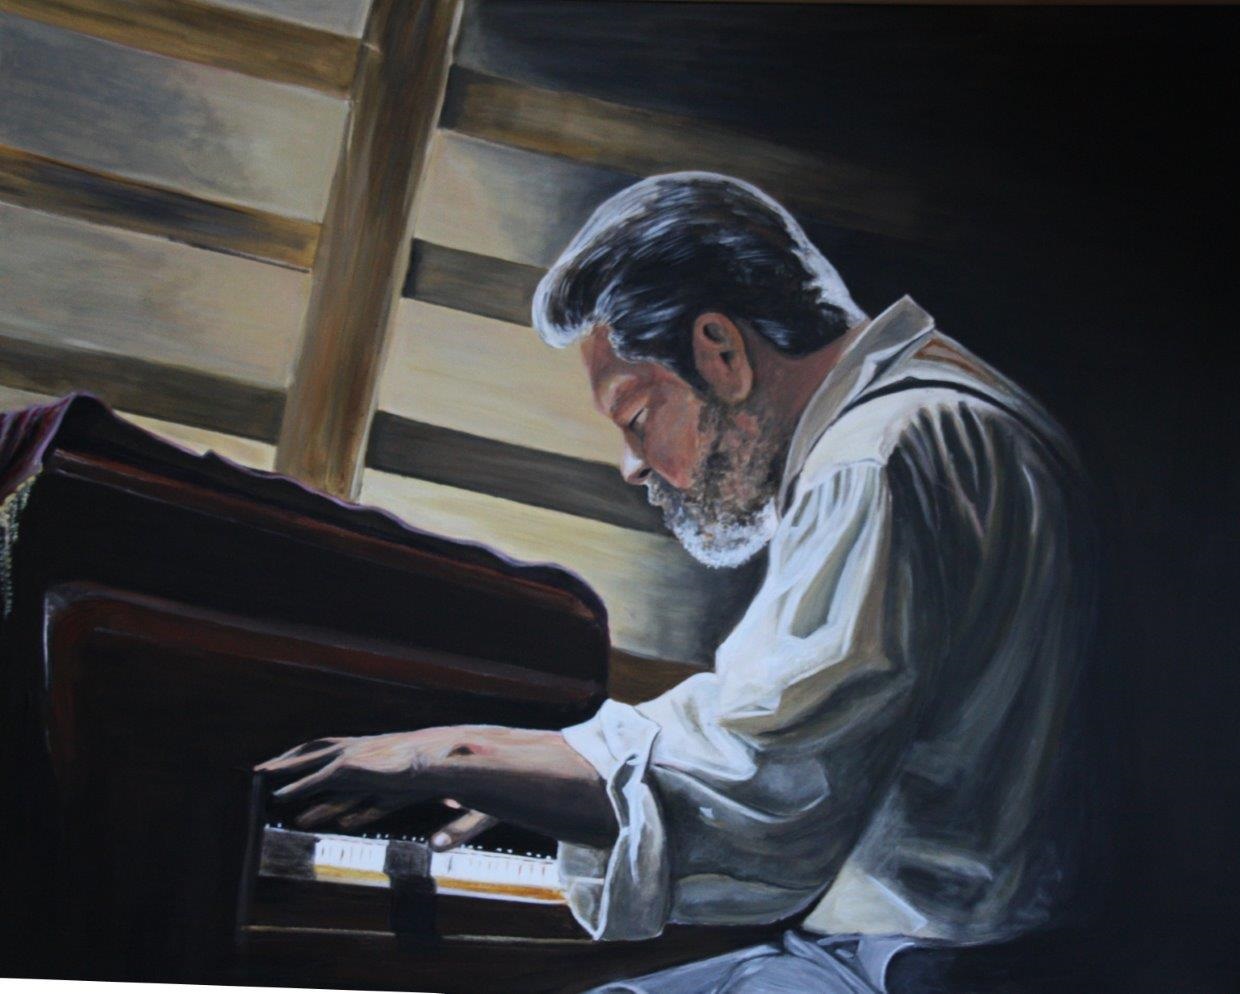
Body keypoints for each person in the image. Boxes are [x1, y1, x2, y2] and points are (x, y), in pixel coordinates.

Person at [258, 173, 1097, 993]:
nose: (632, 467)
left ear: (719, 350)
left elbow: (766, 781)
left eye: (635, 415)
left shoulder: (874, 455)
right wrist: (529, 768)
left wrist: (448, 757)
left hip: (920, 966)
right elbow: (778, 721)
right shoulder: (948, 411)